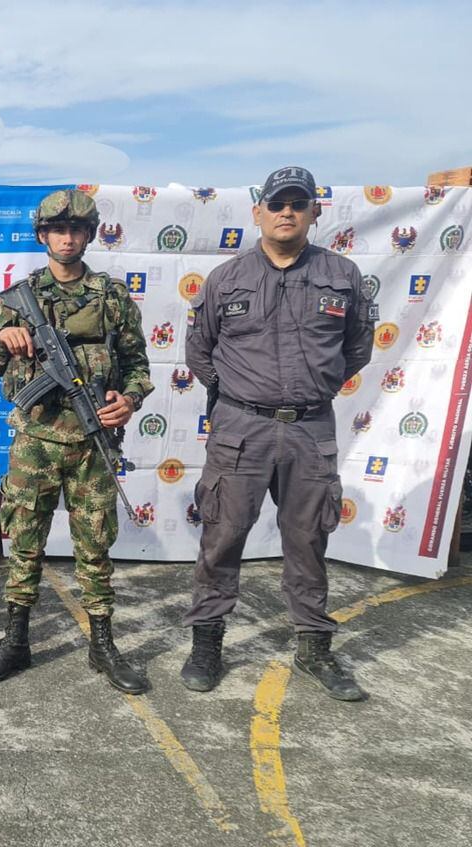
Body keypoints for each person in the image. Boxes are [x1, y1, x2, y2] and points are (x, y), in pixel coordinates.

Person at [181, 166, 377, 701]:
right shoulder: (227, 279)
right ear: (258, 213)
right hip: (240, 430)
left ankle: (315, 649)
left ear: (315, 212)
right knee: (221, 538)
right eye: (277, 204)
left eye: (298, 203)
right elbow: (200, 350)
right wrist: (241, 395)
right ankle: (207, 644)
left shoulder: (342, 275)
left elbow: (358, 345)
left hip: (311, 429)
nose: (286, 212)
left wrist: (318, 385)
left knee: (309, 540)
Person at [0, 189, 153, 694]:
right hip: (35, 443)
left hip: (93, 445)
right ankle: (15, 641)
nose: (67, 238)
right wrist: (2, 342)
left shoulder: (112, 296)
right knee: (24, 546)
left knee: (94, 548)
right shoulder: (16, 299)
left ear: (89, 234)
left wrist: (130, 400)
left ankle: (102, 644)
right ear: (42, 236)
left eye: (77, 229)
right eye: (58, 230)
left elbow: (138, 365)